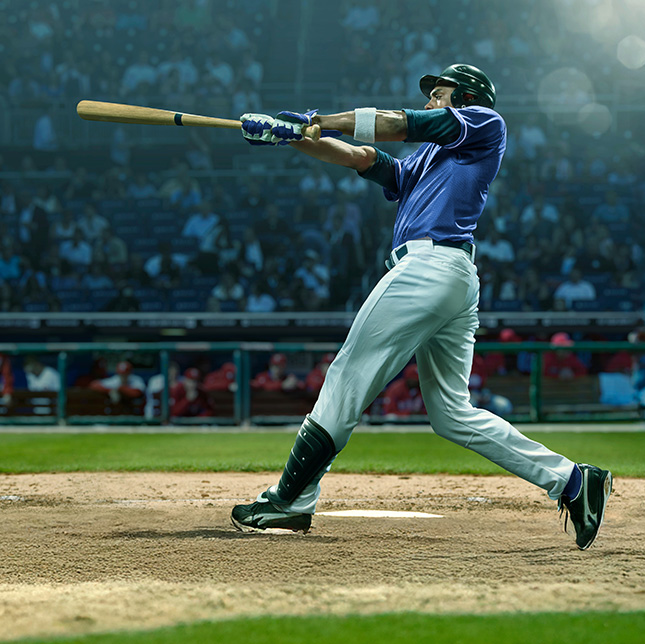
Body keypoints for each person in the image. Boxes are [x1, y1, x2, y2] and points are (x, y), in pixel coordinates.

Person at [231, 64, 611, 550]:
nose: (432, 97)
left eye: (439, 91)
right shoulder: (426, 158)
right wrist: (291, 138)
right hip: (450, 278)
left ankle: (290, 498)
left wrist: (319, 119)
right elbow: (359, 157)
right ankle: (574, 481)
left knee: (347, 375)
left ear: (468, 95)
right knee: (452, 413)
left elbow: (397, 123)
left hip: (430, 268)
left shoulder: (483, 123)